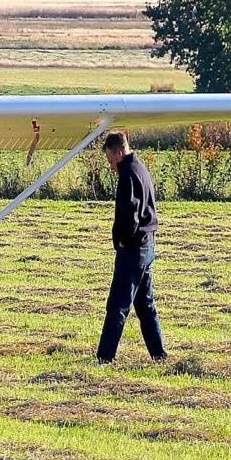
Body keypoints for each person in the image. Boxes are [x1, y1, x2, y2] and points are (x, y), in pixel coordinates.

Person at [96, 131, 167, 364]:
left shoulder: (128, 174)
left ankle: (104, 357)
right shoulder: (141, 169)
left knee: (117, 306)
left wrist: (123, 241)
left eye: (110, 160)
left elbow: (130, 214)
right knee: (145, 306)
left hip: (133, 250)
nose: (111, 166)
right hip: (147, 245)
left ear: (118, 152)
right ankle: (159, 355)